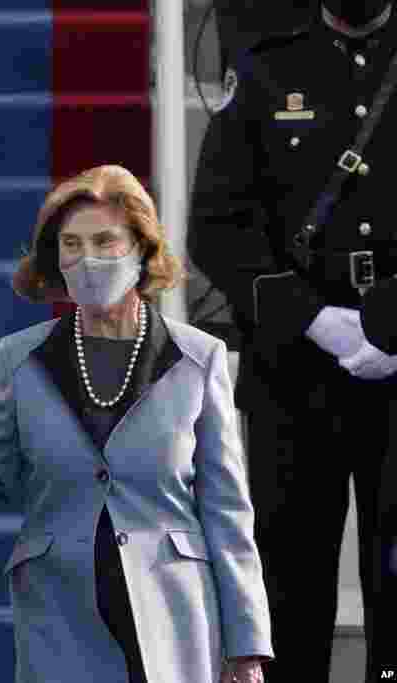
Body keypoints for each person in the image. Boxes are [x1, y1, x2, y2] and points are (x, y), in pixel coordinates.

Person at [0, 165, 272, 683]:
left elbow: (227, 509)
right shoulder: (20, 358)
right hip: (60, 612)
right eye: (71, 244)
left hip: (173, 613)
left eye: (105, 241)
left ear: (141, 249)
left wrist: (246, 645)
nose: (86, 258)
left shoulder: (199, 358)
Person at [189, 1, 397, 680]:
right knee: (290, 583)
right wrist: (315, 318)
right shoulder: (267, 66)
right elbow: (216, 225)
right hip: (296, 375)